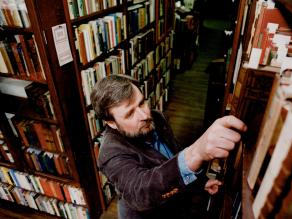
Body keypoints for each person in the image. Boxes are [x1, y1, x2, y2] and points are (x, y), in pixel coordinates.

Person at [90, 74, 247, 219]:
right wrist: (195, 153)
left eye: (142, 103)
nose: (144, 115)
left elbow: (171, 157)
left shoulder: (156, 117)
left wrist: (200, 182)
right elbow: (141, 192)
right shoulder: (110, 153)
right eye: (130, 113)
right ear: (111, 123)